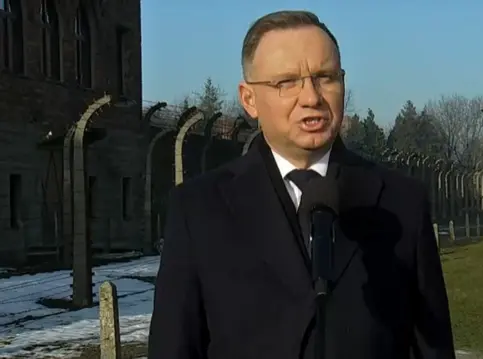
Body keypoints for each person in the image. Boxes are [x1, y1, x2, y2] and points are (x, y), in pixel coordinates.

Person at [147, 10, 455, 359]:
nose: (311, 97)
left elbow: (432, 348)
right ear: (249, 99)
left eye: (325, 77)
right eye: (287, 82)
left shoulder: (401, 203)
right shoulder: (199, 209)